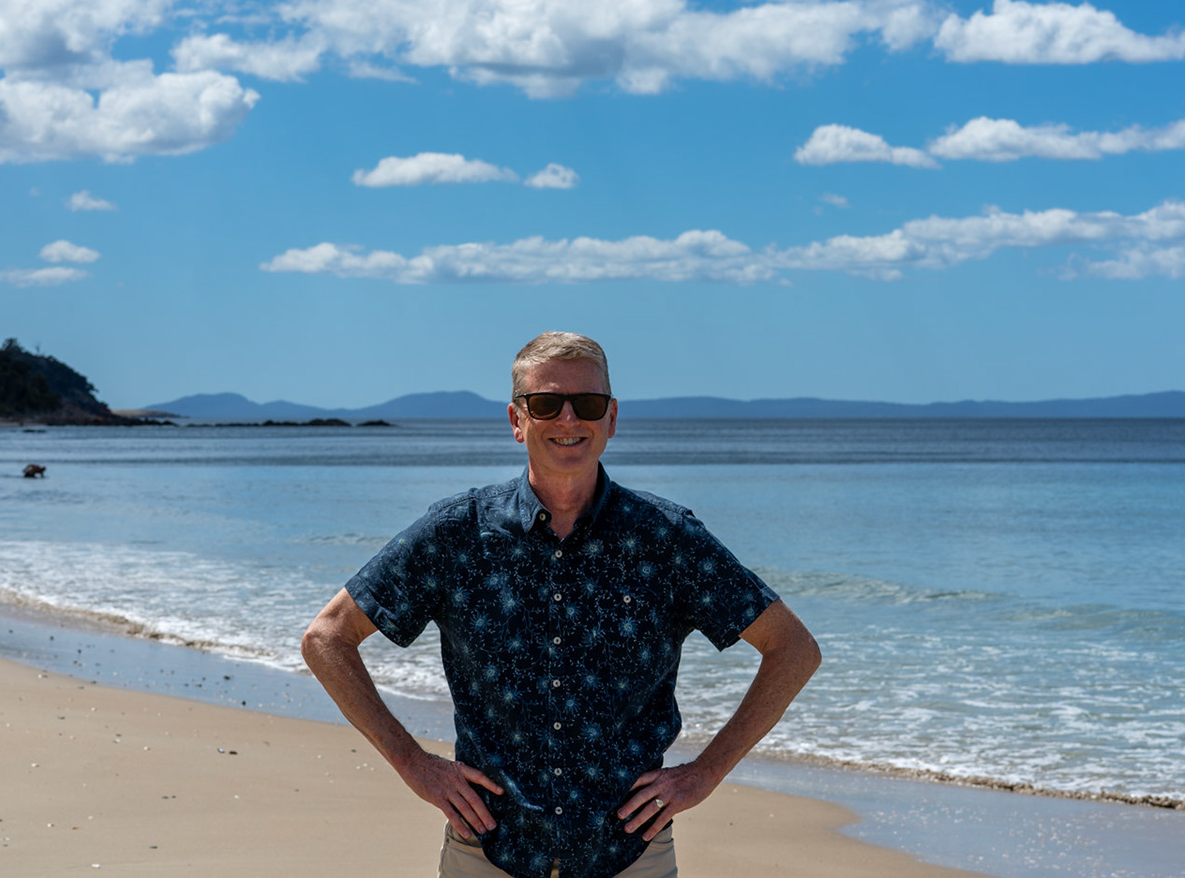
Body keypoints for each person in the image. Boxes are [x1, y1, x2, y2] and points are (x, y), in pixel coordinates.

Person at [302, 332, 822, 878]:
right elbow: (327, 638)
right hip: (487, 851)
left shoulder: (666, 538)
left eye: (588, 404)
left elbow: (793, 649)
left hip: (630, 854)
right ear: (516, 420)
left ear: (612, 418)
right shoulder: (458, 532)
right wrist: (413, 764)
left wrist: (705, 773)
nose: (568, 419)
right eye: (546, 403)